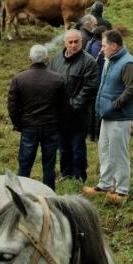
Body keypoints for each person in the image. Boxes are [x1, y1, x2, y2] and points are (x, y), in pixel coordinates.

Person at [85, 30, 133, 203]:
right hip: (107, 115)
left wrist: (114, 105)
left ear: (114, 46)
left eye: (103, 45)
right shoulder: (110, 59)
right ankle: (105, 184)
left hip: (120, 117)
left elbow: (131, 89)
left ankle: (122, 190)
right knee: (105, 149)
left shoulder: (128, 63)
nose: (101, 49)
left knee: (119, 153)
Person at [7, 44, 67, 189]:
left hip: (29, 126)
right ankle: (48, 192)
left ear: (30, 59)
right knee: (49, 163)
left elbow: (12, 106)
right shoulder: (58, 79)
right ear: (47, 59)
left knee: (25, 162)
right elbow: (64, 106)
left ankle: (21, 193)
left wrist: (18, 124)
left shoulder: (19, 79)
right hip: (51, 126)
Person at [49, 29, 100, 184]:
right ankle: (66, 173)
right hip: (60, 115)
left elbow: (89, 89)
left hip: (79, 115)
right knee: (63, 147)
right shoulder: (57, 59)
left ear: (81, 42)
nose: (73, 45)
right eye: (70, 42)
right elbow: (51, 82)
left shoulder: (89, 62)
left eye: (76, 42)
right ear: (65, 43)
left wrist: (72, 106)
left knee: (78, 147)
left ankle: (79, 176)